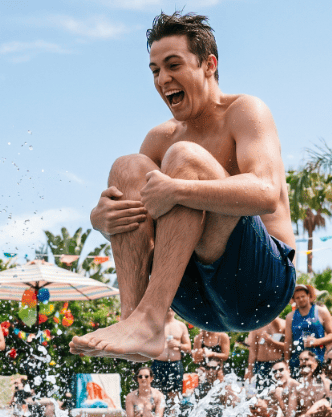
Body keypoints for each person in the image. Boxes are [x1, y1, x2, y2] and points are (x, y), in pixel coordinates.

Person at [71, 11, 296, 360]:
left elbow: (266, 193)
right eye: (155, 71)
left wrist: (178, 190)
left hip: (259, 287)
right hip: (194, 299)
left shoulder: (245, 111)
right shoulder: (159, 138)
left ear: (208, 64)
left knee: (184, 159)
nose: (163, 79)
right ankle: (135, 319)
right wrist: (101, 221)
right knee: (127, 167)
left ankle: (148, 318)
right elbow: (143, 232)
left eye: (173, 65)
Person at [284, 284, 332, 377]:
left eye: (303, 296)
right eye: (297, 297)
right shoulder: (290, 317)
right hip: (297, 362)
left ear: (309, 296)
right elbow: (288, 342)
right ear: (294, 300)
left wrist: (317, 341)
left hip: (318, 360)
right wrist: (286, 363)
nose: (301, 299)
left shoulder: (321, 312)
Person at [152, 308, 191, 409]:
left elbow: (188, 348)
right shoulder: (156, 325)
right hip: (158, 363)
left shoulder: (181, 326)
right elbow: (146, 344)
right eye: (167, 306)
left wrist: (178, 345)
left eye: (172, 306)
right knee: (157, 393)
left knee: (175, 394)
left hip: (175, 364)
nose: (169, 308)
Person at [243, 316, 286, 390]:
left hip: (277, 365)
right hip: (261, 366)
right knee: (260, 395)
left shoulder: (284, 324)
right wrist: (249, 370)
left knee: (279, 392)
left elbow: (289, 348)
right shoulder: (257, 325)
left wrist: (271, 342)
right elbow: (253, 351)